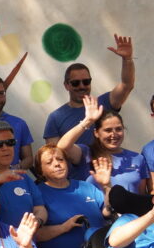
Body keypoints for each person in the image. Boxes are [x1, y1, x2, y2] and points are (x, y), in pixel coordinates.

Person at [43, 34, 136, 180]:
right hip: (78, 184)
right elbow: (54, 155)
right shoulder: (56, 117)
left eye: (86, 81)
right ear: (66, 85)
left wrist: (127, 60)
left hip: (112, 174)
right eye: (75, 83)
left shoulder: (104, 103)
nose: (82, 86)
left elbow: (127, 85)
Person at [33, 145, 108, 248]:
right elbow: (34, 235)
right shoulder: (37, 193)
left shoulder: (86, 187)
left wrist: (106, 185)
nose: (57, 164)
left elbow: (108, 212)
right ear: (40, 170)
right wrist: (63, 228)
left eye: (60, 159)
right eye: (49, 162)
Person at [55, 95, 150, 195]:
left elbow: (141, 196)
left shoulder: (137, 158)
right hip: (95, 210)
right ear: (96, 133)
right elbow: (62, 147)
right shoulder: (86, 153)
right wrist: (88, 121)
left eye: (118, 129)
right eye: (108, 130)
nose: (114, 134)